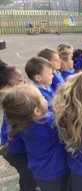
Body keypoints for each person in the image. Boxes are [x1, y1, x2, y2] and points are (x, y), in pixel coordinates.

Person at [1, 84, 69, 191]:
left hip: (40, 173)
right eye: (42, 97)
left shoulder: (23, 123)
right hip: (56, 173)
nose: (45, 98)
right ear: (37, 110)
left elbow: (47, 110)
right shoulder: (50, 123)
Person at [0, 59, 38, 191]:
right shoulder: (18, 105)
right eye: (21, 80)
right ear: (6, 88)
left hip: (13, 149)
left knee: (25, 176)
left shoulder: (14, 99)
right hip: (16, 152)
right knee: (30, 180)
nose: (26, 82)